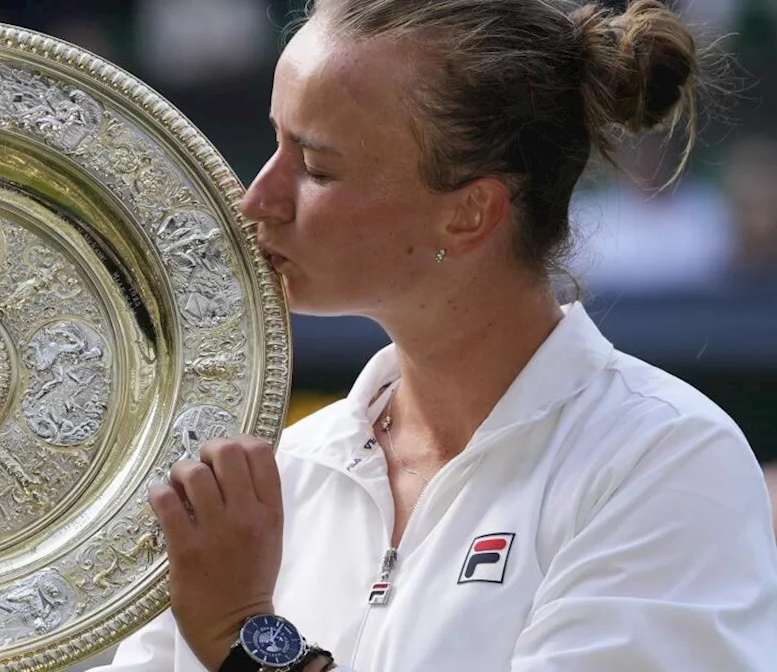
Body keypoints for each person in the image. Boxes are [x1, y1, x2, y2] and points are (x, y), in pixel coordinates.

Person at [93, 1, 777, 670]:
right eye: (275, 145)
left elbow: (233, 634)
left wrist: (245, 638)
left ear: (470, 213)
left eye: (316, 167)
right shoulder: (282, 469)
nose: (258, 199)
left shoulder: (665, 461)